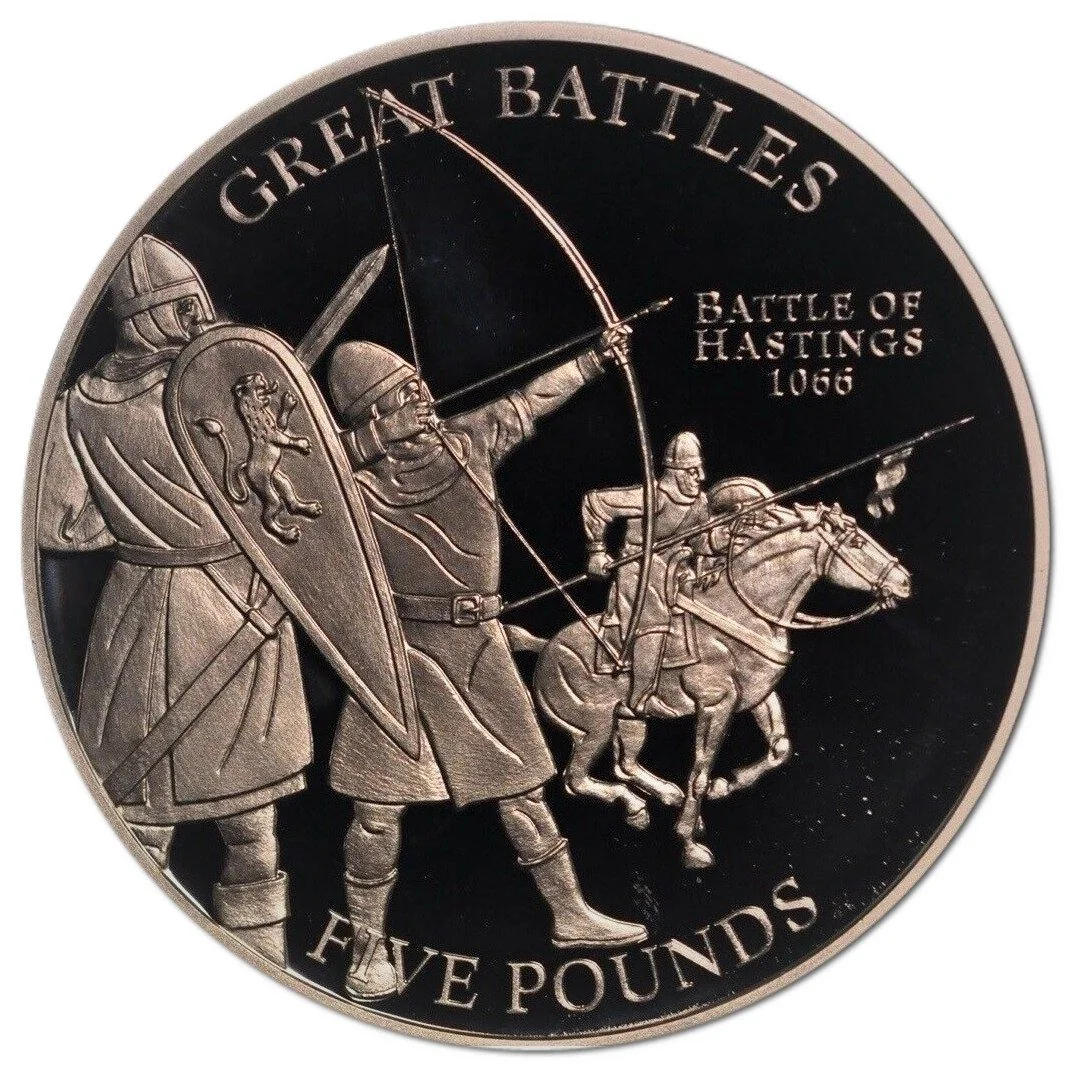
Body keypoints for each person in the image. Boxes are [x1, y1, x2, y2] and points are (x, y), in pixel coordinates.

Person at [327, 329, 647, 1001]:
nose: (423, 396)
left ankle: (569, 914)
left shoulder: (468, 440)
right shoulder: (346, 483)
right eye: (404, 393)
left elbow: (533, 398)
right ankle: (367, 948)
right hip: (396, 653)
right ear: (374, 414)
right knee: (377, 809)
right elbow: (280, 485)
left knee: (524, 792)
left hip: (479, 647)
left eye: (418, 384)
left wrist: (593, 358)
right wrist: (361, 445)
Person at [37, 235, 312, 965]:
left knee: (137, 822)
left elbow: (59, 524)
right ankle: (265, 969)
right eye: (189, 307)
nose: (201, 319)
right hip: (236, 602)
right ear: (166, 310)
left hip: (133, 607)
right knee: (248, 829)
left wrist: (134, 517)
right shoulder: (208, 384)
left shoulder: (73, 405)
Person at [582, 431, 710, 721]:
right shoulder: (651, 498)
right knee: (653, 620)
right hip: (639, 569)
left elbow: (702, 543)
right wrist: (597, 551)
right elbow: (595, 503)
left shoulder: (699, 503)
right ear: (675, 472)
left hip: (676, 571)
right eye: (692, 471)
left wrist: (726, 535)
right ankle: (640, 698)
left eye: (699, 469)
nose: (700, 477)